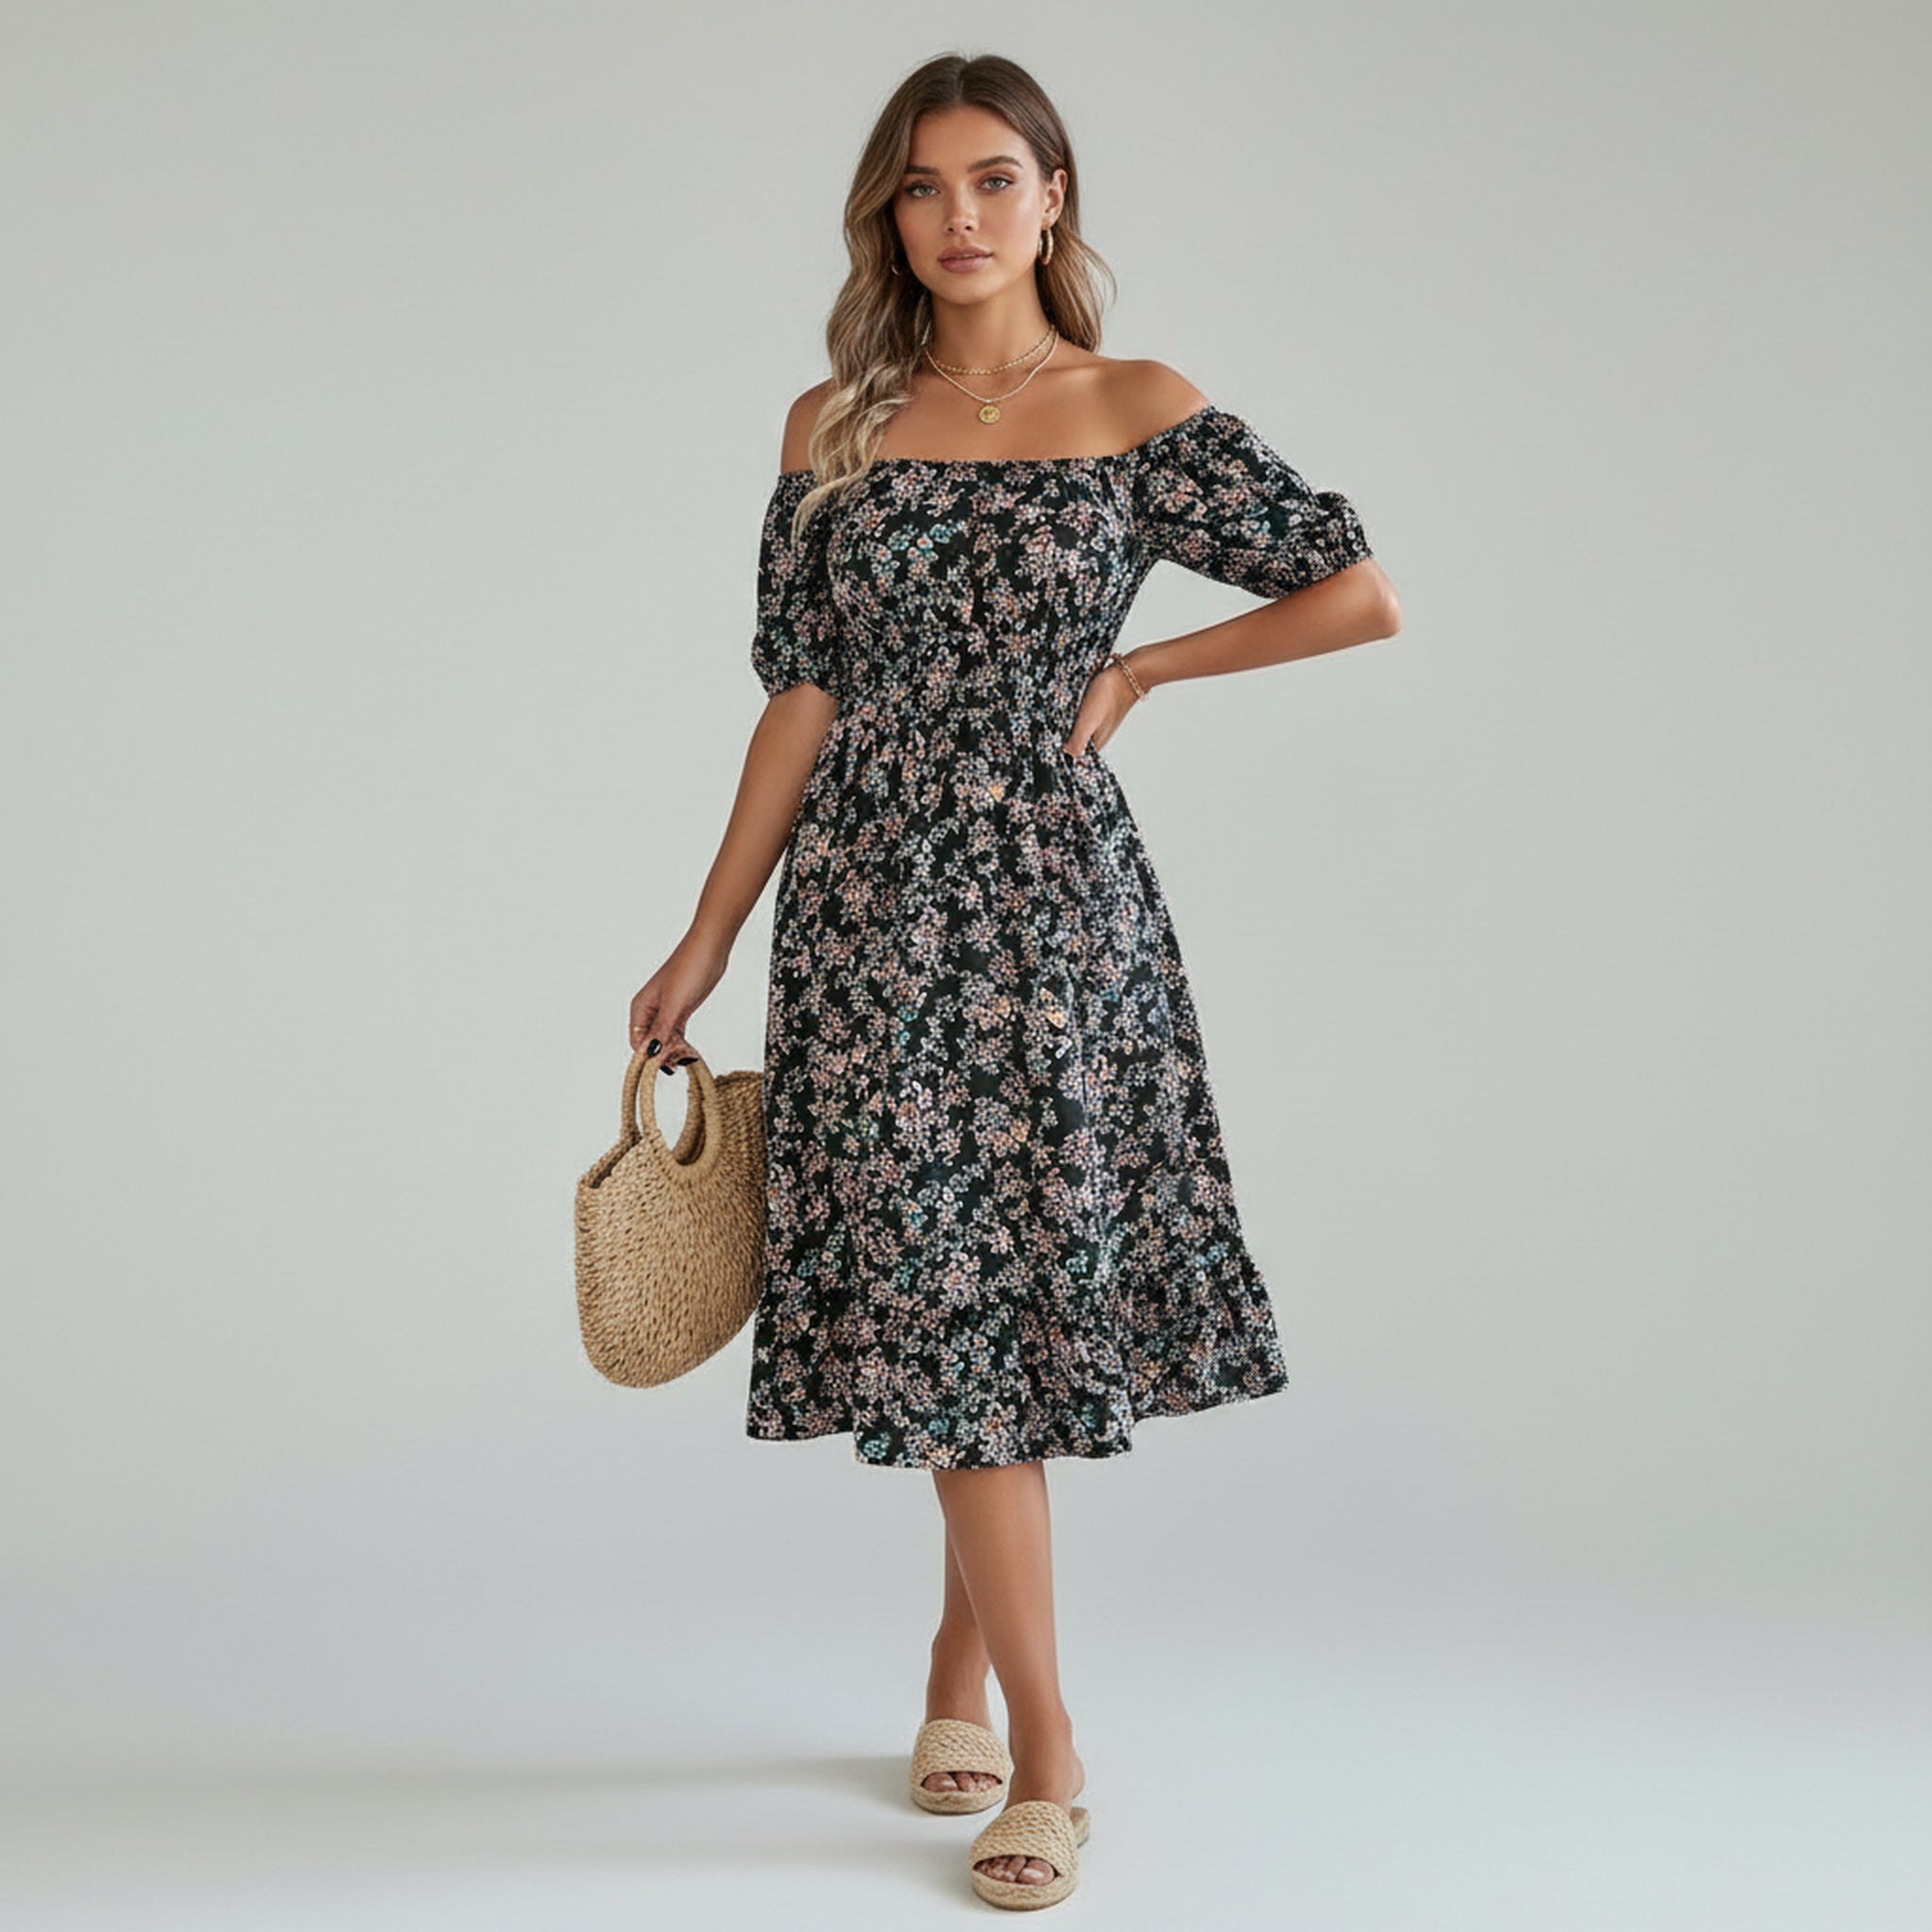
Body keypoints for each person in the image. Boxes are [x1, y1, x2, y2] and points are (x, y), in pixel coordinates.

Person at [626, 51, 1401, 1911]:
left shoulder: (1135, 405)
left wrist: (1140, 677)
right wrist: (709, 926)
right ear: (886, 217)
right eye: (920, 187)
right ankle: (973, 1682)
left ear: (1054, 196)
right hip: (871, 909)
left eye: (993, 178)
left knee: (995, 1311)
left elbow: (1353, 588)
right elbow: (801, 689)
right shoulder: (833, 420)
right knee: (941, 1297)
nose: (957, 215)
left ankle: (1034, 1745)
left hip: (1055, 910)